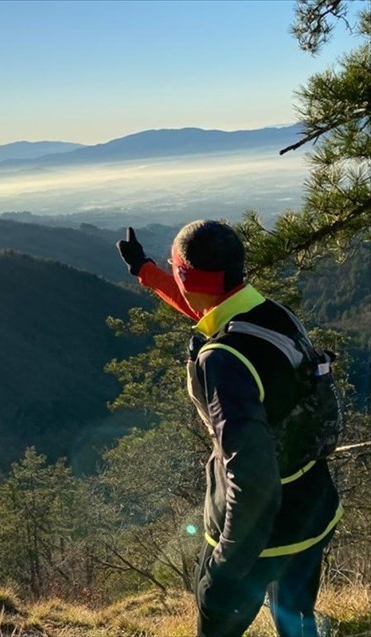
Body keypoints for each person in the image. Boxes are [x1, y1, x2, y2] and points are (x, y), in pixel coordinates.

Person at [116, 220, 342, 637]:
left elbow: (252, 481)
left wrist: (224, 569)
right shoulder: (270, 314)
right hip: (312, 509)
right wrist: (147, 272)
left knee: (217, 624)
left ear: (187, 276)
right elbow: (206, 308)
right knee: (296, 618)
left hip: (256, 535)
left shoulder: (224, 360)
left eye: (175, 268)